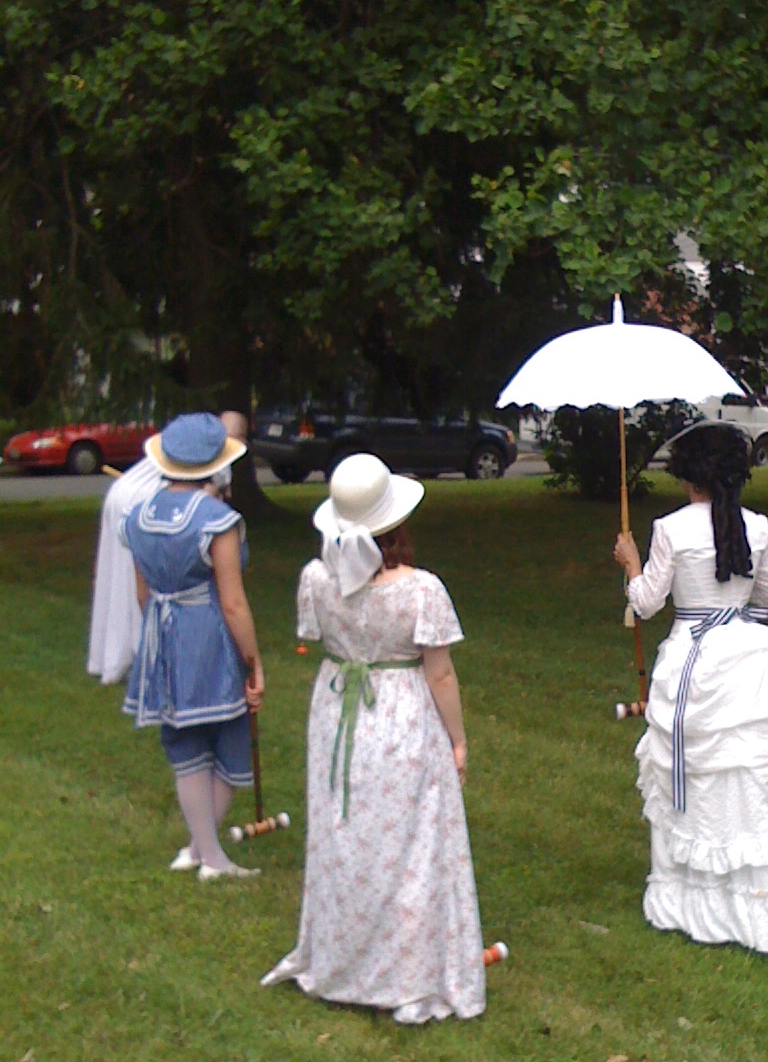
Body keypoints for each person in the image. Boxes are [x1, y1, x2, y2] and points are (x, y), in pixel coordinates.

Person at [262, 454, 485, 1025]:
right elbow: (438, 673)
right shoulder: (421, 590)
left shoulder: (316, 579)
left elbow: (319, 636)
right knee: (409, 846)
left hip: (339, 715)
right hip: (401, 718)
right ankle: (404, 974)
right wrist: (457, 741)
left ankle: (346, 958)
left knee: (347, 837)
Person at [612, 422, 768, 954]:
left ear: (687, 474)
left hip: (693, 654)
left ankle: (698, 893)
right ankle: (761, 895)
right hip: (746, 653)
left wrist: (631, 564)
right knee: (748, 775)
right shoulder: (755, 525)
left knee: (703, 770)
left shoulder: (671, 529)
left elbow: (646, 603)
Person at [121, 412, 264, 878]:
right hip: (207, 635)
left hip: (161, 634)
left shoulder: (137, 516)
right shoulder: (217, 519)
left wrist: (161, 641)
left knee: (185, 747)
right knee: (228, 742)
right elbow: (234, 603)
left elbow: (143, 594)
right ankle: (212, 856)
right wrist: (252, 661)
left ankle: (199, 848)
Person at [88, 411, 248, 684]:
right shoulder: (209, 473)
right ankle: (142, 646)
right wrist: (250, 661)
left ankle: (148, 646)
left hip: (130, 503)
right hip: (145, 506)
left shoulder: (193, 451)